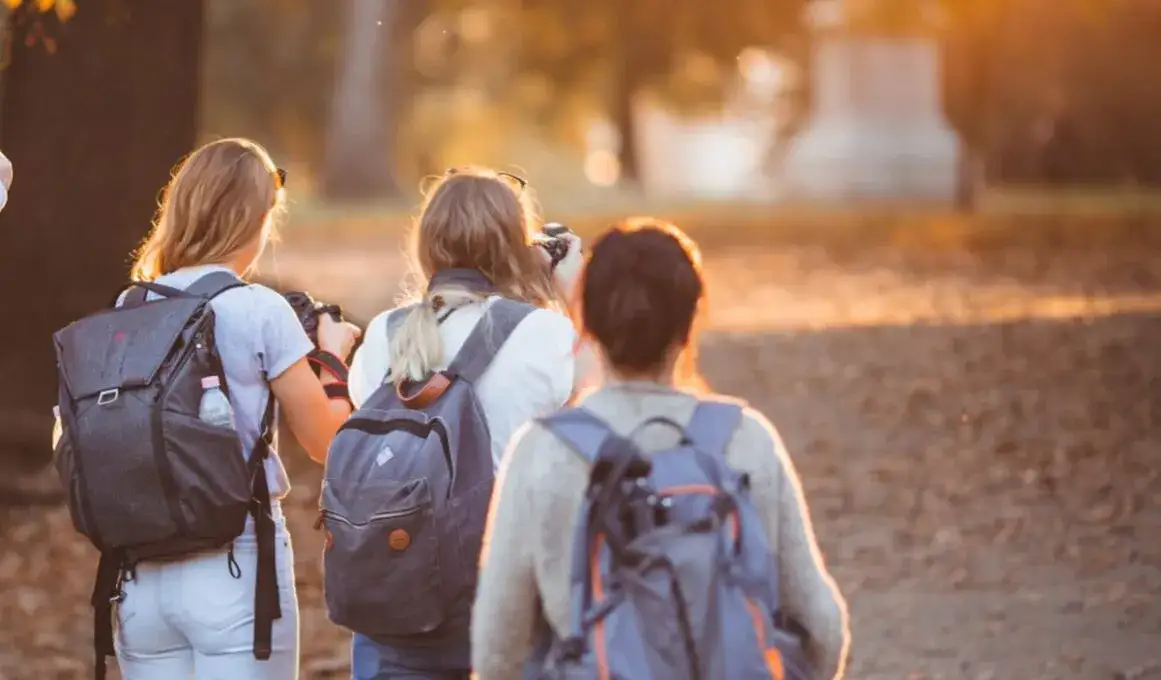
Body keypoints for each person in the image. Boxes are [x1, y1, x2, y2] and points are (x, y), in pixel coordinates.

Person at [471, 219, 851, 680]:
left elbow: (497, 648)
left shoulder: (541, 450)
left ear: (584, 322)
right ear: (690, 324)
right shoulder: (746, 439)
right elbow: (823, 625)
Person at [109, 138, 361, 679]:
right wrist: (333, 358)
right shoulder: (258, 309)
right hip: (236, 567)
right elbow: (330, 444)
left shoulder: (131, 306)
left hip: (137, 577)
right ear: (255, 218)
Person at [344, 167, 587, 680]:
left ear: (426, 244)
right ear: (516, 246)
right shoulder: (545, 334)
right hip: (505, 588)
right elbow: (602, 415)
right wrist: (572, 294)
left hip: (395, 588)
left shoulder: (383, 337)